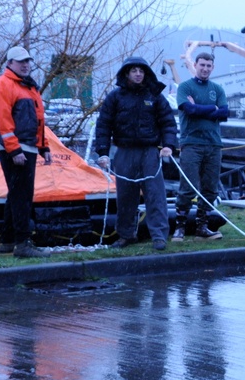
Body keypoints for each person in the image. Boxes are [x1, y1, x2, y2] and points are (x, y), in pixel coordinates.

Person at [95, 57, 179, 251]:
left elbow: (168, 123)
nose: (138, 74)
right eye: (134, 71)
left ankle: (159, 236)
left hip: (150, 152)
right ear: (126, 73)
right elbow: (103, 126)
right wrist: (103, 153)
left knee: (155, 195)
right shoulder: (115, 97)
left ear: (146, 73)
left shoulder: (155, 96)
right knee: (125, 196)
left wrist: (168, 145)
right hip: (124, 152)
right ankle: (126, 235)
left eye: (141, 71)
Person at [0, 46, 52, 258]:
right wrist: (14, 150)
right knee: (22, 196)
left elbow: (38, 122)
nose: (25, 64)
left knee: (17, 194)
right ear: (9, 63)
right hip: (16, 150)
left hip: (26, 147)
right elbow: (0, 122)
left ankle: (8, 240)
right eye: (20, 61)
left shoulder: (27, 87)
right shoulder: (2, 86)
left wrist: (44, 146)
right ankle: (22, 244)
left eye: (27, 61)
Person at [172, 51, 229, 242]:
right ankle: (179, 227)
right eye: (202, 65)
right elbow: (188, 109)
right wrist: (212, 108)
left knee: (210, 188)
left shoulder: (217, 89)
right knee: (188, 186)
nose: (205, 68)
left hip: (213, 144)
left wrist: (201, 109)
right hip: (191, 143)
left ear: (212, 67)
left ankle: (202, 226)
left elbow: (224, 113)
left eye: (208, 65)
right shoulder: (185, 87)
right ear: (195, 65)